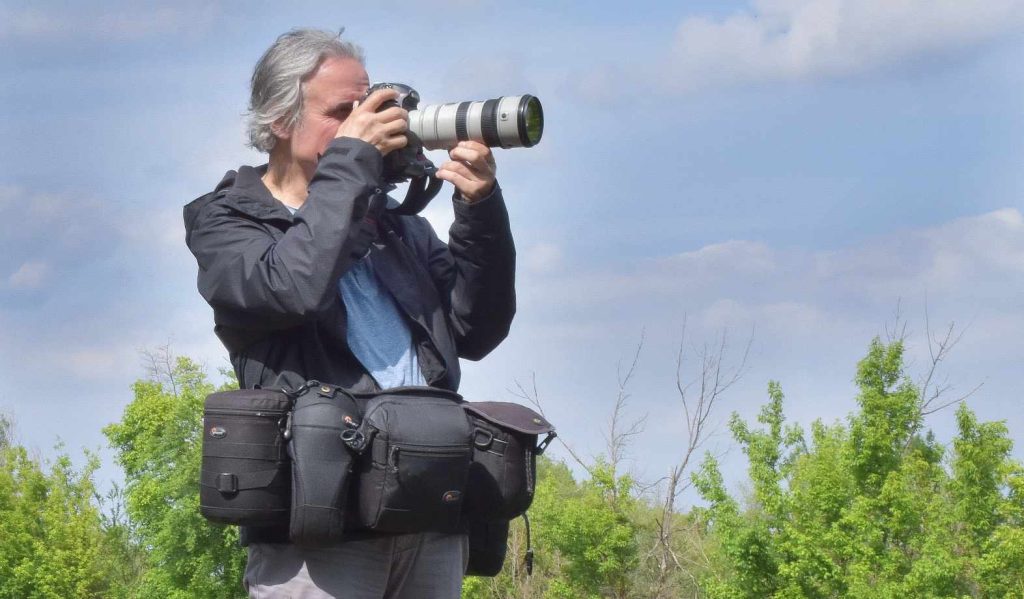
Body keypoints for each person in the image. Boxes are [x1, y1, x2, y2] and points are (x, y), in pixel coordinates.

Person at [183, 28, 516, 599]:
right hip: (320, 527)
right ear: (280, 119)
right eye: (342, 111)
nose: (365, 124)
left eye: (368, 108)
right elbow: (292, 287)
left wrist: (479, 210)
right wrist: (354, 163)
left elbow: (476, 330)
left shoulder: (394, 226)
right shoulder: (227, 222)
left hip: (426, 509)